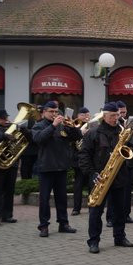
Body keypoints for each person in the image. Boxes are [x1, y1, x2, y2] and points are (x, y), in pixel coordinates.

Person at [78, 102, 133, 253]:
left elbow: (132, 150)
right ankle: (93, 241)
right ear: (104, 116)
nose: (116, 118)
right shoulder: (93, 133)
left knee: (120, 210)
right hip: (99, 178)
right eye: (112, 115)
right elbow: (84, 155)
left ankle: (120, 237)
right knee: (95, 211)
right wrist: (92, 173)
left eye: (117, 115)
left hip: (119, 176)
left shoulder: (123, 131)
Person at [31, 101, 81, 237]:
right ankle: (44, 226)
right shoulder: (39, 125)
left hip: (61, 166)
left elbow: (78, 137)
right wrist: (53, 125)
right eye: (51, 111)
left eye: (56, 111)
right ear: (44, 112)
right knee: (44, 199)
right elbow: (38, 139)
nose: (54, 114)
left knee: (62, 198)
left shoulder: (62, 125)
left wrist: (72, 127)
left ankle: (63, 224)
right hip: (46, 167)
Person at [71, 107, 91, 215]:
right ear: (78, 116)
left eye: (87, 115)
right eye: (83, 115)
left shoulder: (92, 125)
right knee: (78, 185)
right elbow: (71, 138)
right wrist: (80, 132)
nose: (85, 117)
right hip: (78, 159)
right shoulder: (74, 125)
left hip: (90, 159)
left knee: (91, 185)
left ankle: (92, 206)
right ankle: (76, 208)